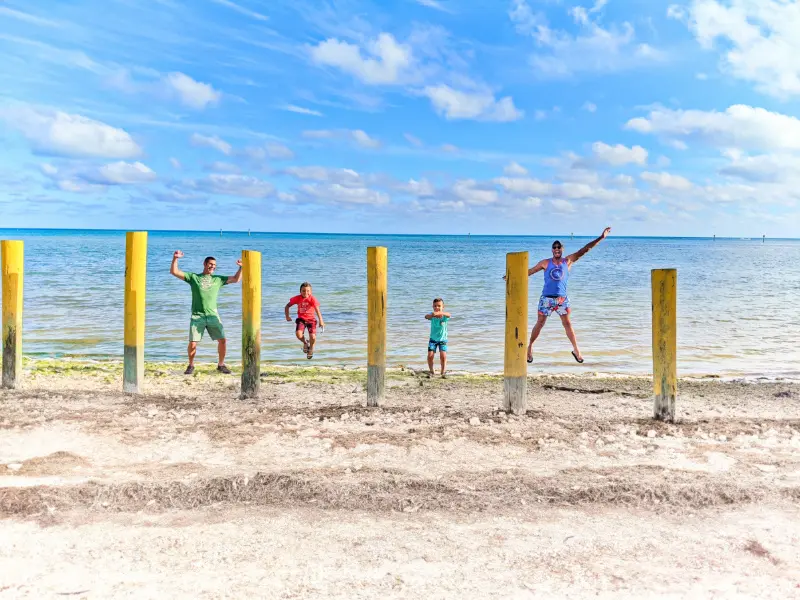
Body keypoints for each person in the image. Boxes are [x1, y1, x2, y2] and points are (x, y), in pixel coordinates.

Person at [525, 227, 611, 364]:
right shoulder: (545, 263)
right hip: (546, 299)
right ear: (552, 250)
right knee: (540, 323)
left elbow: (584, 250)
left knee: (568, 324)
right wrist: (510, 276)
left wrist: (601, 237)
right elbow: (529, 272)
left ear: (562, 250)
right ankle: (529, 347)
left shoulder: (568, 261)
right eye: (555, 247)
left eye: (559, 247)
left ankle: (576, 350)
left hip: (562, 299)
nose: (557, 249)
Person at [170, 251, 242, 375]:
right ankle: (191, 365)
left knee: (223, 340)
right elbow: (174, 272)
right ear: (204, 264)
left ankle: (221, 365)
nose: (212, 266)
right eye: (210, 264)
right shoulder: (194, 278)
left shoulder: (218, 279)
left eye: (214, 265)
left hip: (213, 315)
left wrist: (241, 267)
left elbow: (236, 279)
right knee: (193, 343)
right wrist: (175, 258)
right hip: (197, 316)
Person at [285, 282, 325, 359]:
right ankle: (305, 342)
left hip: (311, 320)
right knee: (298, 334)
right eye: (303, 291)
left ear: (311, 292)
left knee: (313, 337)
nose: (305, 293)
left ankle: (311, 348)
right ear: (300, 291)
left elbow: (317, 310)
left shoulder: (312, 299)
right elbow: (287, 306)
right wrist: (287, 316)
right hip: (301, 319)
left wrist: (321, 320)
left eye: (308, 291)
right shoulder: (297, 298)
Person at [425, 297, 451, 378]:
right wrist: (432, 315)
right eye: (435, 306)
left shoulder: (444, 316)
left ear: (443, 307)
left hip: (442, 339)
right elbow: (426, 316)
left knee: (443, 356)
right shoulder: (432, 315)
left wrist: (441, 313)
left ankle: (443, 372)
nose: (437, 307)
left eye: (439, 306)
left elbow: (449, 314)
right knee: (430, 356)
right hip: (433, 339)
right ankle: (431, 371)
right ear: (433, 307)